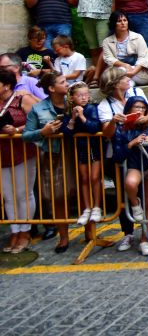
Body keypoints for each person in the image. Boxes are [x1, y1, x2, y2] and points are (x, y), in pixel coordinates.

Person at [22, 71, 71, 252]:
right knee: (57, 197)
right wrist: (43, 132)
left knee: (83, 193)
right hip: (53, 154)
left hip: (76, 153)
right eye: (63, 81)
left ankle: (90, 234)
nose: (67, 84)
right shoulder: (38, 108)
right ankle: (64, 238)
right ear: (51, 88)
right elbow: (26, 135)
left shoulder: (73, 102)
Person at [111, 95, 148, 256]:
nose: (140, 111)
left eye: (142, 108)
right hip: (134, 164)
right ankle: (134, 202)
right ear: (129, 110)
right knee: (131, 184)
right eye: (136, 108)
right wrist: (132, 143)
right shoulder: (122, 127)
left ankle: (144, 239)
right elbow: (117, 156)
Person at [0, 69, 38, 253]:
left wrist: (16, 130)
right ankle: (14, 231)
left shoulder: (22, 99)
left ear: (6, 85)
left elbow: (39, 118)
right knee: (8, 195)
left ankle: (25, 231)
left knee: (24, 193)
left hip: (22, 151)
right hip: (2, 154)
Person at [62, 82, 103, 227]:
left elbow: (94, 128)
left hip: (93, 148)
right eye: (80, 95)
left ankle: (97, 206)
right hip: (80, 148)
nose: (84, 98)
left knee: (94, 177)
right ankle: (87, 208)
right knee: (84, 178)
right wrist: (73, 118)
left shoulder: (92, 109)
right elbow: (66, 133)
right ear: (72, 98)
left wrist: (82, 116)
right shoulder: (69, 112)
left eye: (86, 95)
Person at [75, 0, 113, 83]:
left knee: (104, 48)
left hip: (103, 16)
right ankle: (97, 75)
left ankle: (102, 76)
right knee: (94, 48)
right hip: (87, 16)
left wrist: (113, 15)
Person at [101, 11, 148, 86]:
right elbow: (108, 59)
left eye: (125, 20)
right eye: (119, 21)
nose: (123, 23)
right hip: (118, 71)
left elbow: (144, 58)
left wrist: (133, 72)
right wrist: (125, 65)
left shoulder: (138, 37)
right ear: (113, 24)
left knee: (120, 79)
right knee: (127, 82)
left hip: (138, 72)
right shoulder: (107, 41)